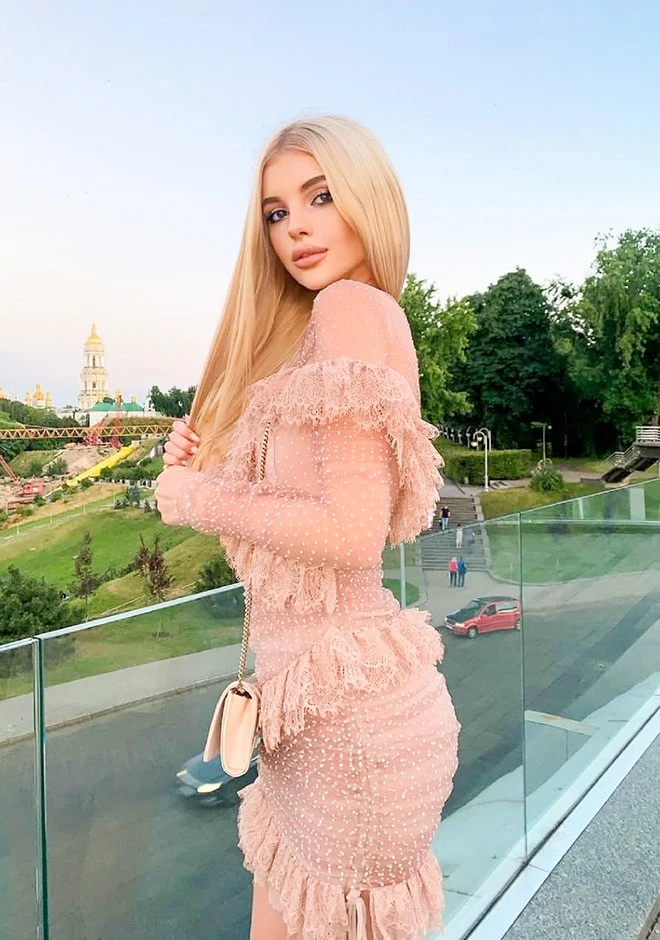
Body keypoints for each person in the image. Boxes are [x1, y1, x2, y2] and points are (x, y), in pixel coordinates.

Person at [154, 116, 460, 940]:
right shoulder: (334, 324)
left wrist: (195, 497)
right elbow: (297, 512)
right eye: (277, 212)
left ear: (369, 199)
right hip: (313, 712)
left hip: (349, 729)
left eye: (320, 197)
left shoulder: (351, 307)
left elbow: (350, 532)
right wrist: (208, 463)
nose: (296, 228)